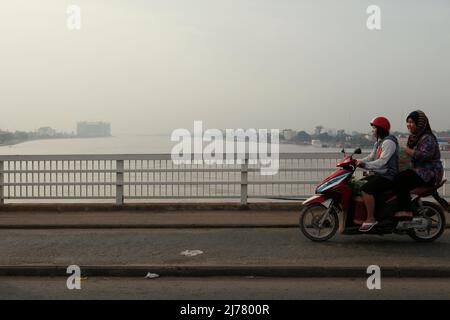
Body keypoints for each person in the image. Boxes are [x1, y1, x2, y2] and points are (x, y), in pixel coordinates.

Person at [393, 110, 443, 219]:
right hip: (419, 171)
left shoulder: (428, 138)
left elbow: (424, 156)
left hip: (429, 173)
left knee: (400, 179)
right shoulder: (413, 137)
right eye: (407, 122)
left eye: (411, 122)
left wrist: (406, 150)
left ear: (419, 124)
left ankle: (406, 210)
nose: (408, 125)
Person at [355, 117, 399, 232]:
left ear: (380, 129)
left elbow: (382, 162)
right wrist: (355, 161)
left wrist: (364, 165)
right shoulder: (379, 142)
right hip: (381, 174)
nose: (372, 130)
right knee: (359, 184)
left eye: (374, 128)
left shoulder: (389, 142)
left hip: (388, 176)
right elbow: (371, 157)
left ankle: (371, 218)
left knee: (366, 189)